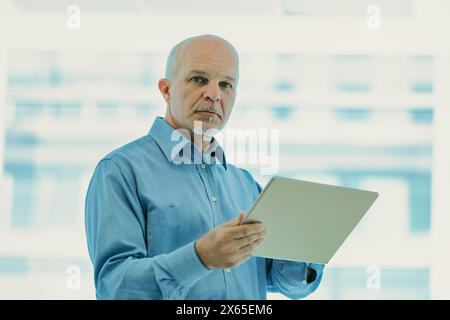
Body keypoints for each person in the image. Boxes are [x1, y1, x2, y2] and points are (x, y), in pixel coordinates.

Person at [85, 34, 324, 299]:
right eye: (198, 79)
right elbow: (115, 287)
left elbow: (282, 281)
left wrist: (307, 253)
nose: (213, 94)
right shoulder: (120, 171)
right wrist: (199, 258)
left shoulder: (245, 184)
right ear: (166, 90)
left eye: (226, 85)